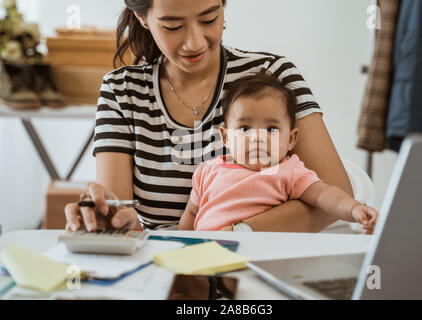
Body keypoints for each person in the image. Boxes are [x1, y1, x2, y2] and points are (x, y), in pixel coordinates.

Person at [64, 0, 354, 233]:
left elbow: (335, 195)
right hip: (163, 266)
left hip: (256, 260)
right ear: (142, 19)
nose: (195, 42)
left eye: (209, 19)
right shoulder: (121, 91)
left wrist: (230, 236)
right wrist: (107, 220)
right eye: (172, 26)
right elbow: (123, 215)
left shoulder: (273, 76)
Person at [178, 73, 378, 234]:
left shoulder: (290, 171)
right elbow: (191, 213)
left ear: (291, 139)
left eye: (271, 129)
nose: (258, 137)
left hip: (262, 257)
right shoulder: (207, 171)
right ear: (225, 136)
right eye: (245, 128)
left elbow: (325, 195)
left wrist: (354, 209)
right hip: (205, 258)